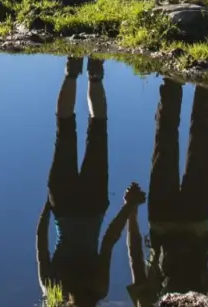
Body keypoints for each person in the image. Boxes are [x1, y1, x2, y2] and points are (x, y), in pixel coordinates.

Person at [37, 56, 144, 307]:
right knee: (65, 131)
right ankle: (73, 73)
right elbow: (41, 242)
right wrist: (48, 207)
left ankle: (93, 75)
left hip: (92, 206)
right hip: (63, 205)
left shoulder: (98, 289)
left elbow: (108, 241)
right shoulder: (53, 293)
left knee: (97, 131)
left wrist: (129, 207)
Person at [125, 79, 208, 306]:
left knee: (197, 146)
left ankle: (198, 83)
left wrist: (131, 211)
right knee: (169, 142)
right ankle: (186, 81)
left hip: (188, 222)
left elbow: (136, 259)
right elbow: (135, 258)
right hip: (173, 221)